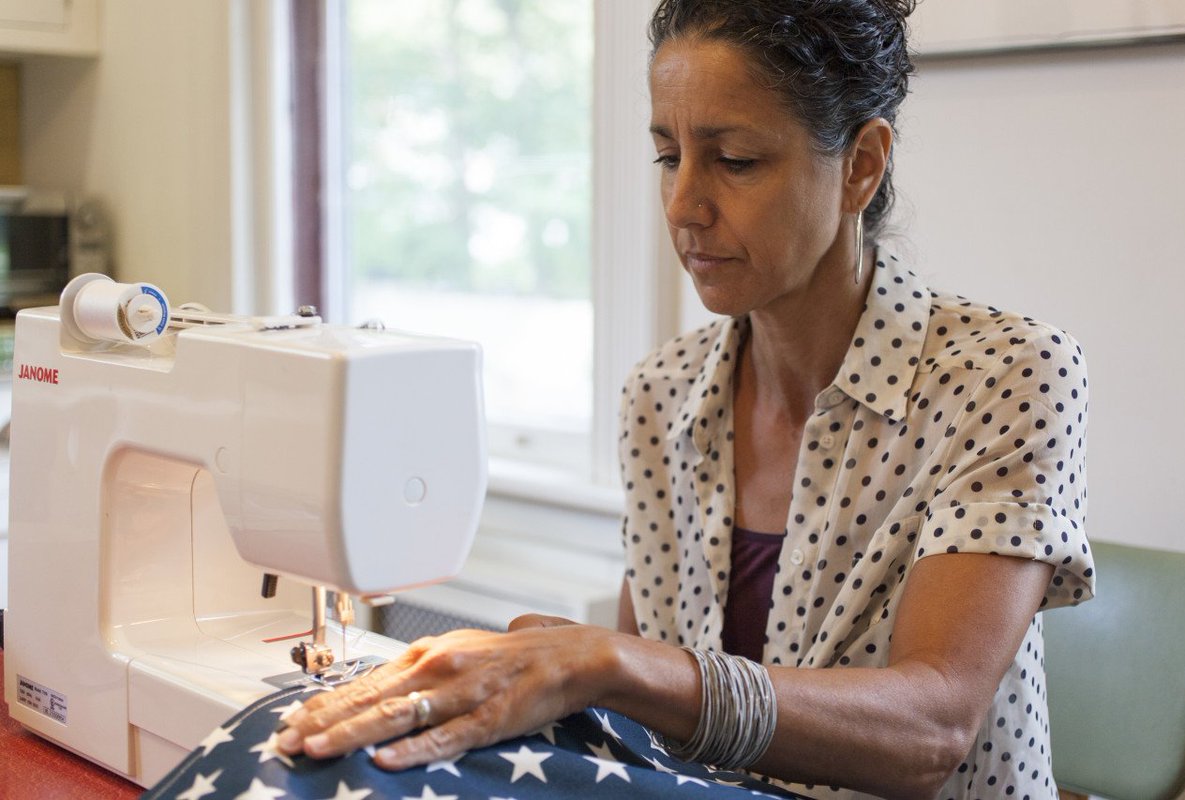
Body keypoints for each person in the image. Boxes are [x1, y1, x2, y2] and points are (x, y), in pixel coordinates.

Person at [274, 2, 1094, 798]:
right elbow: (643, 719)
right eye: (669, 156)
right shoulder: (661, 398)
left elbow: (932, 731)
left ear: (861, 165)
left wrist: (610, 663)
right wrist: (549, 671)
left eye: (734, 160)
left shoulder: (1007, 376)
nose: (683, 205)